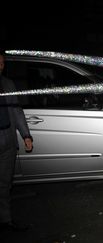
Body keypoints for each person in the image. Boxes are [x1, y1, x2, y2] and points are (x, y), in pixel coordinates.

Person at [0, 53, 33, 231]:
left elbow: (17, 112)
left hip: (8, 138)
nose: (0, 66)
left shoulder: (7, 84)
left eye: (2, 63)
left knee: (5, 183)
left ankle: (5, 220)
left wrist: (26, 135)